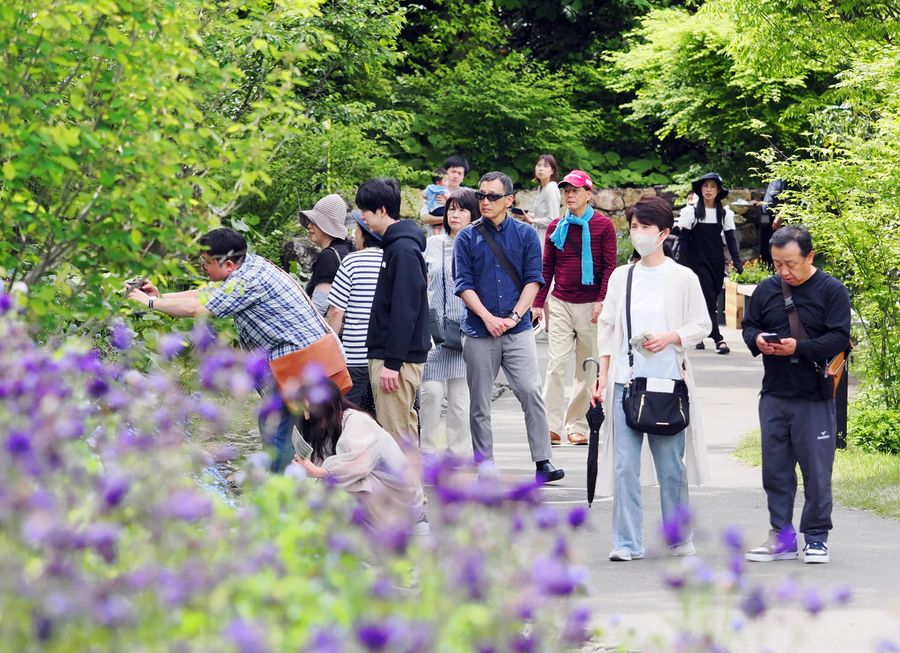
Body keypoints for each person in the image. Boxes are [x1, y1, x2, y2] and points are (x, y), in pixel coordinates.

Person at [126, 228, 328, 473]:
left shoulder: (248, 281)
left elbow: (198, 308)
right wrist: (161, 296)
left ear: (229, 264)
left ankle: (281, 486)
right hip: (298, 360)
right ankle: (291, 481)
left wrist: (149, 303)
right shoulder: (249, 266)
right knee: (284, 425)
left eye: (207, 262)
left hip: (299, 362)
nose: (204, 268)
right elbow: (205, 293)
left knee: (276, 424)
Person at [590, 196, 711, 561]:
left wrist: (672, 337)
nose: (639, 234)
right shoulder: (622, 276)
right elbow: (608, 328)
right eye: (635, 227)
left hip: (668, 382)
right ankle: (626, 541)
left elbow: (701, 324)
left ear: (664, 234)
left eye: (645, 228)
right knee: (625, 465)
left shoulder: (682, 277)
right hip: (626, 381)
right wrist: (603, 376)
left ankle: (678, 534)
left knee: (670, 465)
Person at [741, 225, 851, 565]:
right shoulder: (767, 289)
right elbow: (749, 325)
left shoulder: (832, 291)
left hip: (815, 397)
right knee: (775, 470)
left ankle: (816, 537)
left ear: (810, 256)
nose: (784, 271)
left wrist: (798, 348)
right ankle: (782, 536)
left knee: (817, 472)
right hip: (774, 392)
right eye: (777, 264)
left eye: (790, 263)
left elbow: (839, 338)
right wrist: (757, 340)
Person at [453, 171, 564, 483]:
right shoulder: (466, 237)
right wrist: (488, 317)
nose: (484, 201)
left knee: (530, 390)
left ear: (509, 200)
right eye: (481, 195)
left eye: (492, 196)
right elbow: (463, 285)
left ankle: (543, 460)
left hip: (517, 329)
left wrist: (514, 317)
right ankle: (485, 463)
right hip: (478, 329)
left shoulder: (526, 235)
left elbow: (534, 280)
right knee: (480, 400)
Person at [533, 170, 616, 446]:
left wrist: (602, 301)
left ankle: (576, 425)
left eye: (575, 190)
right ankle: (551, 425)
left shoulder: (604, 226)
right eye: (566, 190)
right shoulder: (557, 226)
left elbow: (609, 269)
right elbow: (547, 268)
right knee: (555, 364)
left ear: (588, 194)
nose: (569, 195)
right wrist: (537, 303)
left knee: (587, 368)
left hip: (591, 305)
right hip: (560, 303)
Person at [290, 379, 428, 534]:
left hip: (401, 500)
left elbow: (358, 466)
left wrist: (318, 472)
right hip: (383, 492)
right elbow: (324, 463)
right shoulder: (333, 426)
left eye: (310, 411)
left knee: (338, 487)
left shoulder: (357, 421)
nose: (307, 417)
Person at [356, 178, 430, 443]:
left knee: (394, 437)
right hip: (396, 356)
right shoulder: (397, 246)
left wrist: (392, 363)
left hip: (397, 359)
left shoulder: (402, 250)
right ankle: (411, 486)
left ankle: (405, 486)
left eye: (365, 209)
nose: (362, 216)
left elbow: (405, 309)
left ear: (382, 210)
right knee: (403, 434)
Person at [420, 189, 478, 458]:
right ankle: (429, 454)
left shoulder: (478, 245)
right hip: (435, 331)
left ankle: (459, 455)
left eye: (462, 209)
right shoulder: (432, 244)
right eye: (451, 209)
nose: (455, 214)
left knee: (460, 399)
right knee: (430, 393)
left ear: (473, 214)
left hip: (467, 328)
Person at [675, 172, 744, 354]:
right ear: (700, 189)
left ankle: (699, 336)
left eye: (713, 186)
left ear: (718, 190)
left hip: (716, 262)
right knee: (708, 300)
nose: (709, 190)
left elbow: (731, 240)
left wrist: (737, 261)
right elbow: (683, 241)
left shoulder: (724, 214)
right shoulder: (691, 212)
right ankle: (718, 338)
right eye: (705, 186)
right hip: (695, 262)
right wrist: (680, 267)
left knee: (709, 298)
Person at [326, 211, 384, 416]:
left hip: (355, 358)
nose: (353, 235)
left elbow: (336, 312)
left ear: (363, 234)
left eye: (356, 230)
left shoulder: (351, 262)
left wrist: (331, 348)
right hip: (383, 358)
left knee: (352, 417)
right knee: (380, 418)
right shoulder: (391, 258)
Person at [298, 194, 355, 315]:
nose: (309, 226)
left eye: (314, 222)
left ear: (327, 226)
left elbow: (320, 306)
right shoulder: (348, 250)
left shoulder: (329, 257)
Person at [421, 155, 470, 231]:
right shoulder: (433, 190)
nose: (455, 176)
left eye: (459, 173)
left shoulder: (467, 194)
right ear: (445, 172)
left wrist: (448, 203)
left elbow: (471, 218)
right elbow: (424, 218)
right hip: (434, 240)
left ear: (463, 178)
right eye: (453, 172)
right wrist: (446, 218)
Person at [523, 154, 561, 250]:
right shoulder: (542, 188)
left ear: (552, 171)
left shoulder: (551, 189)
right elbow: (541, 213)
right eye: (539, 165)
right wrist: (529, 215)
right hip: (537, 236)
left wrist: (532, 220)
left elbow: (553, 220)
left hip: (545, 238)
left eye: (545, 166)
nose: (541, 169)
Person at [759, 178, 786, 265]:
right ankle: (765, 263)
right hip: (765, 215)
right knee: (764, 238)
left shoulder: (785, 178)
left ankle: (773, 265)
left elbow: (789, 201)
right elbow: (770, 198)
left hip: (775, 216)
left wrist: (779, 217)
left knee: (775, 241)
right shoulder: (773, 177)